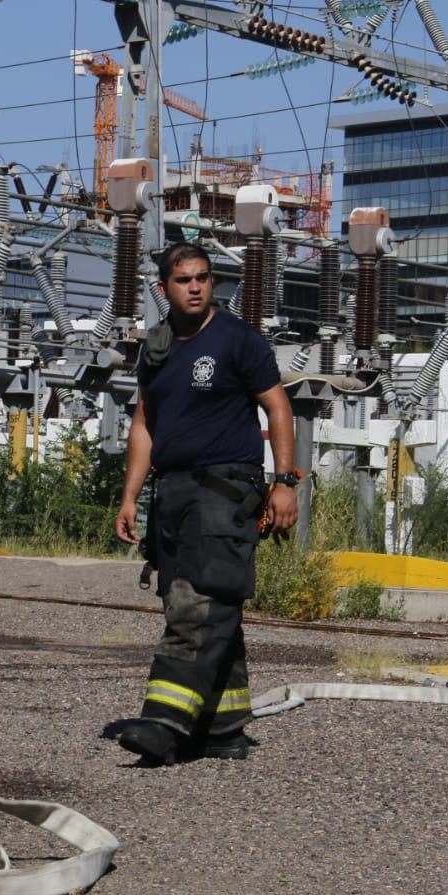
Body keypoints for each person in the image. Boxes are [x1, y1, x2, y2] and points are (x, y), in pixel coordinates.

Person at [114, 242, 299, 766]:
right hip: (172, 492)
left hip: (224, 491)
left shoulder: (238, 339)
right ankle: (222, 727)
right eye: (183, 280)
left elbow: (278, 407)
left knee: (204, 602)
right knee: (188, 601)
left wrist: (285, 482)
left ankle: (165, 722)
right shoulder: (157, 350)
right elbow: (144, 425)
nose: (195, 287)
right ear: (163, 288)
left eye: (203, 277)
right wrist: (130, 497)